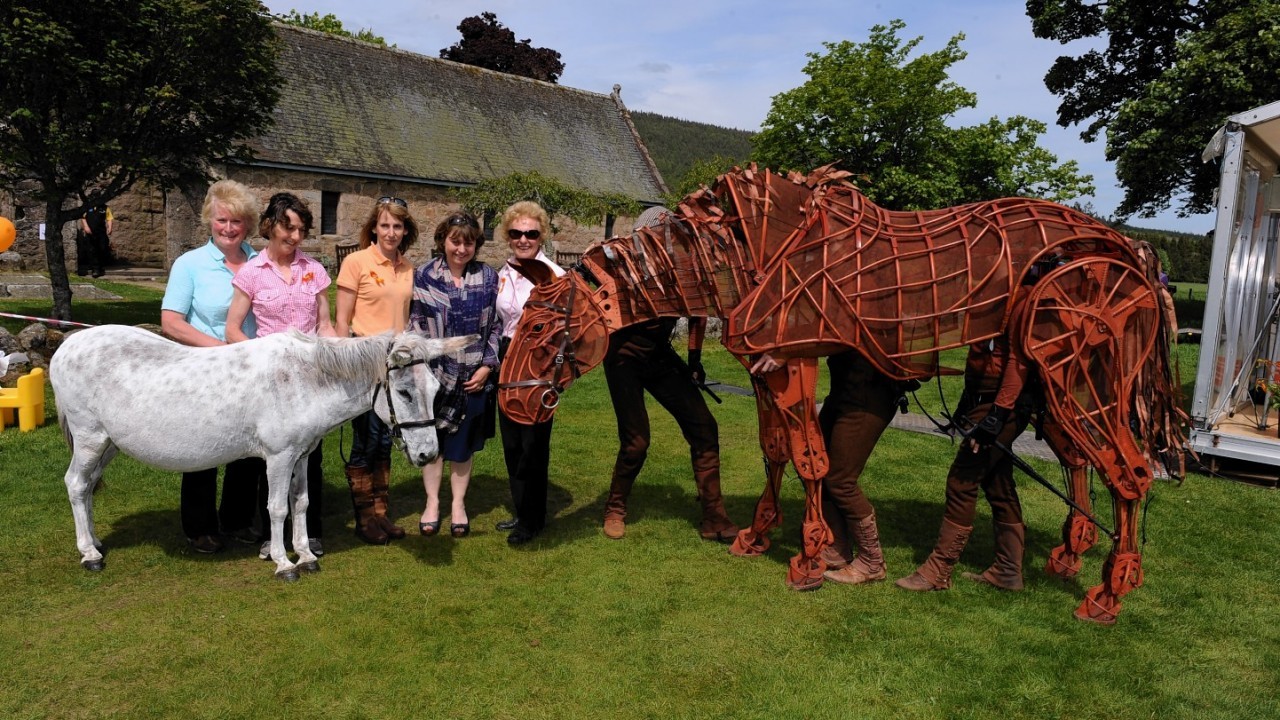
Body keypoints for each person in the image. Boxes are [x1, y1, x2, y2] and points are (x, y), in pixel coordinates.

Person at [600, 207, 738, 542]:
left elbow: (700, 311)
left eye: (668, 231)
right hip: (623, 357)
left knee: (704, 426)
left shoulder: (683, 267)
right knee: (636, 442)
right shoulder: (622, 265)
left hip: (660, 356)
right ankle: (615, 508)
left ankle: (714, 517)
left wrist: (693, 359)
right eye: (656, 231)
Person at [896, 295, 1036, 592]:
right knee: (998, 483)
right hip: (988, 401)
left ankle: (938, 571)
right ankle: (1008, 571)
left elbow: (1018, 361)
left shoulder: (1021, 298)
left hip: (1004, 404)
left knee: (962, 480)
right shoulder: (996, 293)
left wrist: (996, 416)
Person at [226, 192, 336, 560]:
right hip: (270, 381)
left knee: (311, 456)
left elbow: (325, 324)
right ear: (270, 226)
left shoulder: (314, 270)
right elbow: (233, 330)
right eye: (288, 228)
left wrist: (335, 354)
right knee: (270, 459)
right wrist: (259, 362)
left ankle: (312, 531)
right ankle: (270, 533)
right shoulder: (251, 274)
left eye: (301, 230)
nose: (295, 237)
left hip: (310, 380)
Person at [159, 179, 264, 554]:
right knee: (202, 448)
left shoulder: (259, 262)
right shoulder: (190, 265)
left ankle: (236, 520)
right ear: (209, 220)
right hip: (204, 368)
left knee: (249, 447)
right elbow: (171, 321)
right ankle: (199, 526)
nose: (229, 228)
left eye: (237, 222)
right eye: (222, 220)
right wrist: (221, 348)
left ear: (248, 224)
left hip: (251, 368)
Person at [409, 211, 501, 539]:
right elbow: (416, 322)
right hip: (435, 375)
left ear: (477, 244)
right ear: (443, 241)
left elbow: (495, 326)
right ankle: (432, 503)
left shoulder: (489, 277)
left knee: (463, 446)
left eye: (468, 242)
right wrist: (426, 367)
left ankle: (458, 504)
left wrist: (488, 366)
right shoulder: (425, 275)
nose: (461, 249)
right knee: (433, 443)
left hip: (475, 375)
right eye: (455, 241)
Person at [334, 196, 417, 544]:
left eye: (397, 226)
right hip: (365, 364)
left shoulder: (408, 266)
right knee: (364, 440)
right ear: (374, 227)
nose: (391, 232)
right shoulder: (356, 262)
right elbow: (341, 320)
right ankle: (364, 518)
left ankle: (381, 514)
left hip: (395, 366)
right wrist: (345, 363)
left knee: (386, 440)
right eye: (385, 225)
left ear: (405, 230)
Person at [495, 201, 564, 545]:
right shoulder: (504, 272)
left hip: (537, 361)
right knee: (511, 443)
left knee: (533, 444)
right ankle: (522, 511)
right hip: (507, 356)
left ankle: (533, 521)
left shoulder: (555, 277)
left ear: (542, 236)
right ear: (508, 236)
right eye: (516, 233)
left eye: (531, 233)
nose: (523, 239)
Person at [815, 351, 903, 585]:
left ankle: (872, 561)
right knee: (819, 469)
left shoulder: (876, 314)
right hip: (842, 391)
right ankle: (838, 547)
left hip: (868, 395)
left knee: (840, 480)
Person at [79, 199, 113, 277]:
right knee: (92, 249)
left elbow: (109, 218)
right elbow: (83, 217)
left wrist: (110, 228)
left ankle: (99, 267)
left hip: (101, 232)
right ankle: (96, 269)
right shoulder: (87, 207)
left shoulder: (105, 208)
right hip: (90, 232)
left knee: (102, 248)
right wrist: (86, 227)